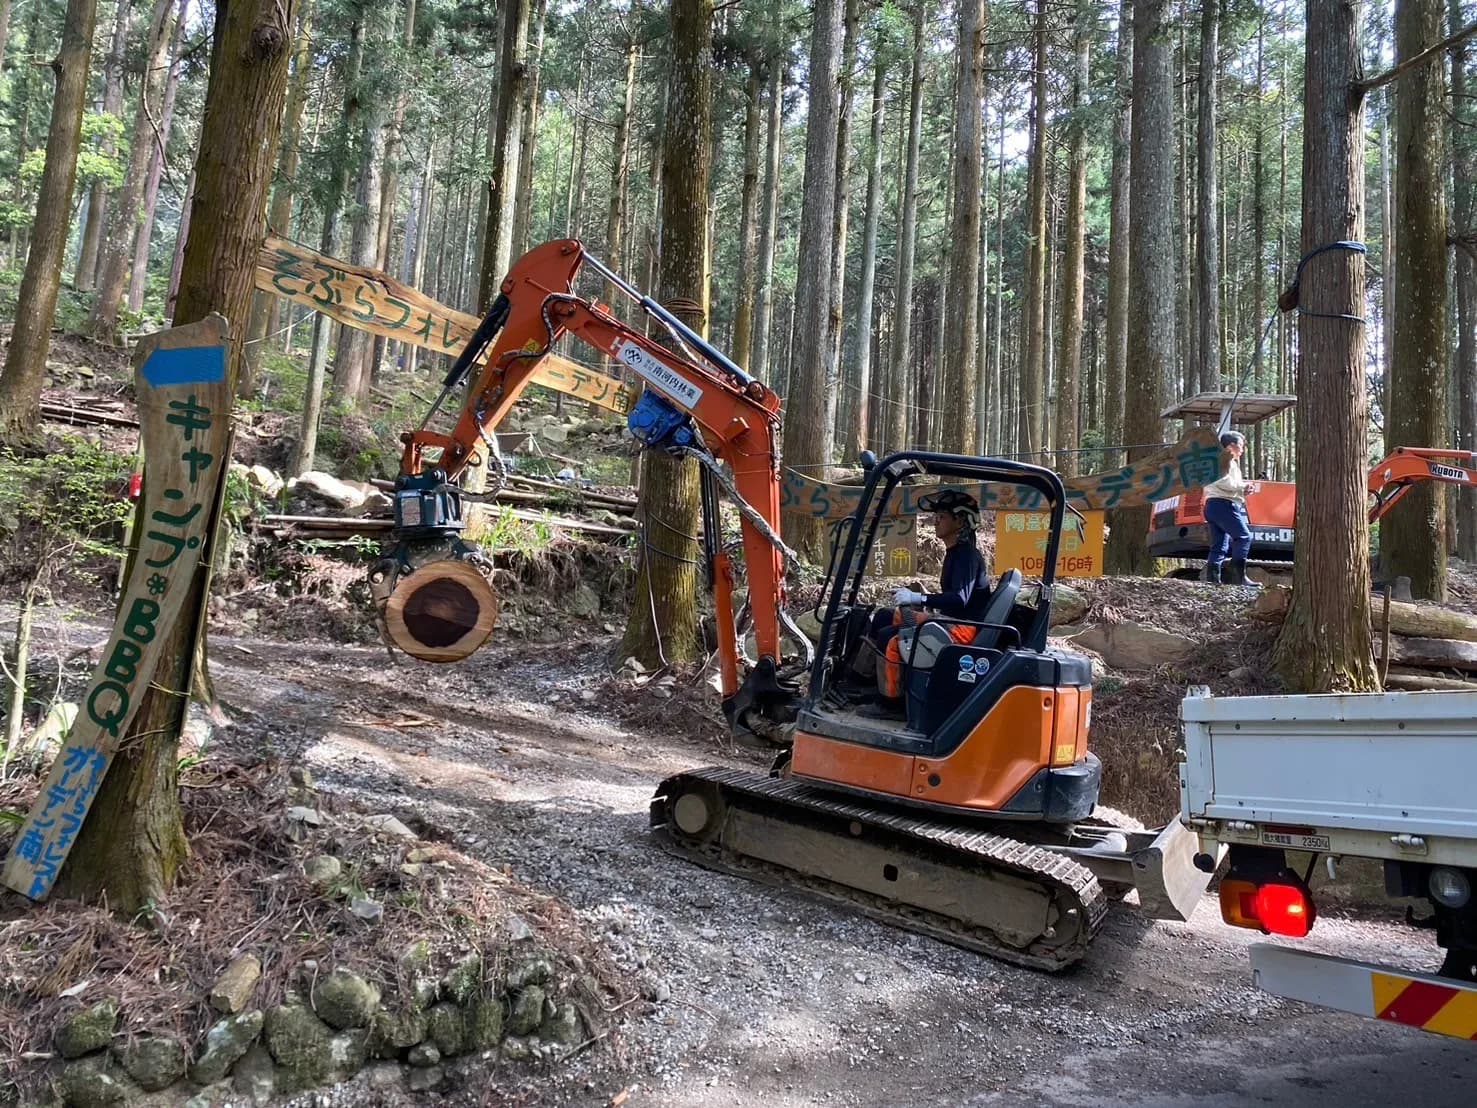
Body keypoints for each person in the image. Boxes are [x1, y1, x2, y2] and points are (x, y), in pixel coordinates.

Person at [856, 489, 992, 712]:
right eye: (936, 516)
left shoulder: (966, 555)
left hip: (963, 629)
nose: (935, 521)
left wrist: (918, 597)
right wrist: (918, 597)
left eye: (942, 517)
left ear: (960, 522)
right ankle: (861, 682)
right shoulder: (956, 553)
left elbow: (959, 599)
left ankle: (889, 704)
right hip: (953, 621)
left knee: (890, 637)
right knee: (884, 616)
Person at [1202, 430, 1253, 585]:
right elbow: (1221, 481)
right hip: (1223, 503)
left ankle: (1213, 580)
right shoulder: (1222, 460)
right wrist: (1242, 487)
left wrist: (1242, 490)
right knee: (1244, 537)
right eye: (1241, 446)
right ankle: (1238, 577)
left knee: (1219, 545)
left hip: (1214, 504)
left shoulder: (1226, 462)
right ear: (1231, 446)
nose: (1243, 450)